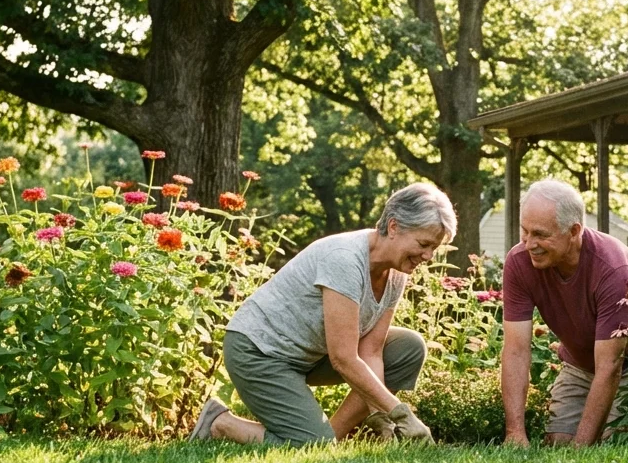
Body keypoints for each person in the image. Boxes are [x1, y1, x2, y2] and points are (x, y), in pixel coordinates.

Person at [190, 183, 455, 445]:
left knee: (407, 348)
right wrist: (402, 414)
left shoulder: (396, 272)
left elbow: (371, 352)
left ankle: (329, 440)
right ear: (395, 227)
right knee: (310, 444)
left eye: (435, 248)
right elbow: (343, 358)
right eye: (424, 244)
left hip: (309, 354)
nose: (429, 256)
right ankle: (220, 424)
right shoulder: (345, 259)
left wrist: (382, 416)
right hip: (259, 351)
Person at [500, 180, 628, 447]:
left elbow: (611, 365)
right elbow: (516, 350)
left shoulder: (612, 268)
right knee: (557, 441)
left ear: (574, 231)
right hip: (580, 366)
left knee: (615, 444)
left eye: (540, 234)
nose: (529, 244)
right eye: (524, 231)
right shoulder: (519, 263)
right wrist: (515, 433)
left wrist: (580, 450)